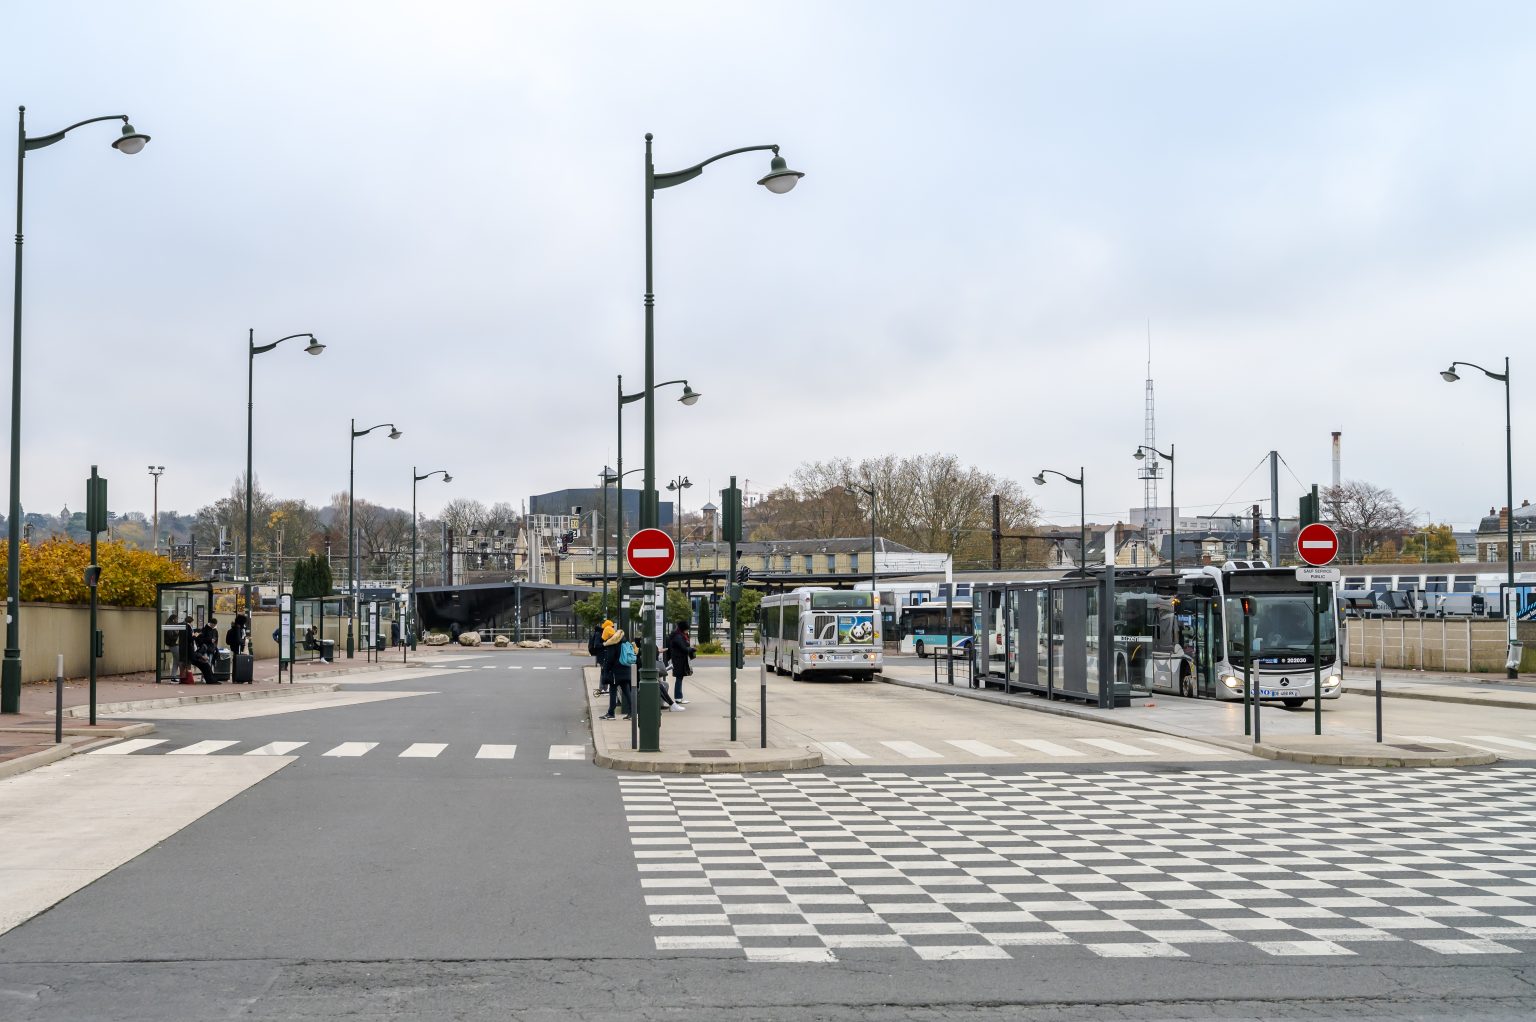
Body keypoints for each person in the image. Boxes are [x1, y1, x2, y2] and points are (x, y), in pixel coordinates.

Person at [599, 623, 632, 720]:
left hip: (615, 672)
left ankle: (611, 713)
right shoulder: (623, 640)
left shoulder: (612, 643)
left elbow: (610, 660)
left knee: (612, 691)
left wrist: (606, 671)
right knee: (626, 691)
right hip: (625, 669)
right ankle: (632, 712)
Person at [665, 621, 695, 704]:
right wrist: (692, 649)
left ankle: (679, 697)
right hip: (678, 659)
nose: (687, 631)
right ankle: (678, 697)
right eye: (686, 629)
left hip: (679, 659)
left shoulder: (680, 635)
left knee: (680, 678)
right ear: (683, 629)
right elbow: (684, 648)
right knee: (679, 678)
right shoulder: (678, 637)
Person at [589, 620, 609, 694]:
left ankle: (604, 688)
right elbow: (596, 645)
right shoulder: (599, 633)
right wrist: (605, 644)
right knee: (604, 671)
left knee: (604, 671)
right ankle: (602, 688)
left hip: (603, 655)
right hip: (602, 655)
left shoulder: (602, 632)